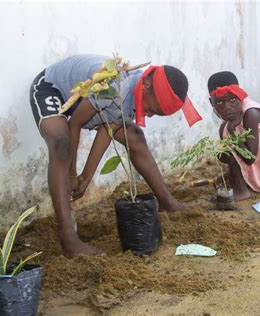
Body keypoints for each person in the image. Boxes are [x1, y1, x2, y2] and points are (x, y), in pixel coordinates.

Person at [30, 54, 202, 258]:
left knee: (135, 137)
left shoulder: (134, 94)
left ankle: (167, 202)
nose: (149, 115)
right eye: (151, 109)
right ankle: (68, 238)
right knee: (61, 143)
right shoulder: (116, 87)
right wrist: (72, 174)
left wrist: (86, 177)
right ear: (146, 85)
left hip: (90, 102)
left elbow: (108, 129)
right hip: (54, 89)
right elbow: (74, 124)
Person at [207, 71, 260, 200]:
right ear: (211, 102)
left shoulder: (251, 113)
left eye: (232, 99)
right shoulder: (232, 111)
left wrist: (231, 130)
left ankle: (241, 190)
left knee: (228, 136)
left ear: (240, 95)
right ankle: (239, 179)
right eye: (219, 103)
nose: (227, 107)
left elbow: (249, 158)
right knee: (225, 138)